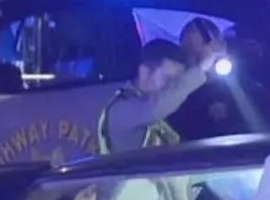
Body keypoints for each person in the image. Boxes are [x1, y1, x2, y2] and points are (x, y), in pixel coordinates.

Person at [97, 37, 226, 155]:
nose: (172, 87)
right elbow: (155, 107)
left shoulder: (161, 111)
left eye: (176, 82)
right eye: (168, 79)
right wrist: (201, 69)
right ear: (145, 72)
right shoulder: (123, 109)